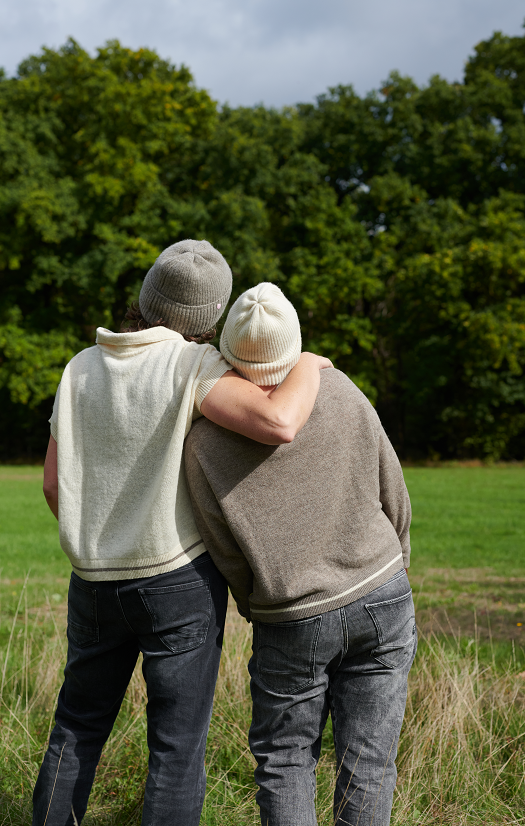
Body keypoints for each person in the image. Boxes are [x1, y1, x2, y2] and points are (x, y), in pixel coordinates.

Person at [34, 240, 331, 826]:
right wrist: (307, 363)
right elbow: (278, 422)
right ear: (209, 319)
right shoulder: (191, 366)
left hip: (92, 579)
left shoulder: (80, 367)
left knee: (76, 725)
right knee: (175, 747)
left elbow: (51, 484)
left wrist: (99, 538)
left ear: (146, 295)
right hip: (177, 582)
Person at [184, 282, 417, 826]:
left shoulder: (201, 441)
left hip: (290, 614)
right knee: (370, 763)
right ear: (295, 343)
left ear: (226, 352)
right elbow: (395, 493)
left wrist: (261, 600)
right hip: (382, 590)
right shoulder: (341, 389)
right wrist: (395, 563)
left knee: (286, 760)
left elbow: (224, 550)